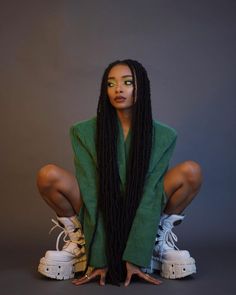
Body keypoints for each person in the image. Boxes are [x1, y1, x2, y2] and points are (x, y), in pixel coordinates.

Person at [36, 59, 202, 287]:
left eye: (127, 82)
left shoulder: (164, 136)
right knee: (48, 175)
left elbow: (150, 196)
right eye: (110, 83)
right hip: (100, 206)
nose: (118, 89)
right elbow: (92, 193)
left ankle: (154, 244)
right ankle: (83, 244)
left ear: (141, 87)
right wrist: (100, 257)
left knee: (191, 171)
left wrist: (136, 256)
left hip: (143, 207)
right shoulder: (83, 132)